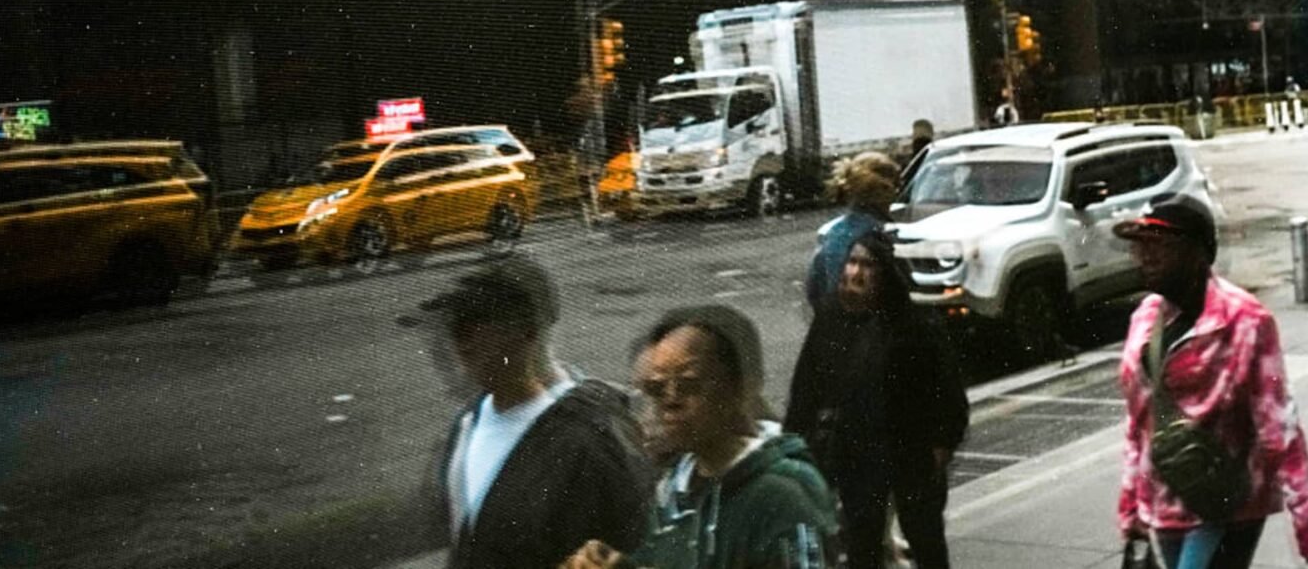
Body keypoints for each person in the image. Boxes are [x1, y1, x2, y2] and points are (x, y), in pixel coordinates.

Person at [1114, 195, 1308, 569]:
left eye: (1161, 246)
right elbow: (1139, 425)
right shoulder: (1146, 316)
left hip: (1227, 504)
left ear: (1199, 253)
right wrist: (1130, 507)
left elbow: (1281, 430)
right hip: (1163, 502)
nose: (1146, 257)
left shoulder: (1246, 320)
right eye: (1142, 246)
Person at [403, 260, 652, 569]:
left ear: (527, 333)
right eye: (450, 326)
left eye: (471, 324)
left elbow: (620, 548)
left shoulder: (590, 440)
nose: (455, 341)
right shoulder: (468, 423)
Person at [563, 305, 840, 569]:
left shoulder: (782, 495)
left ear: (739, 389)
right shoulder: (673, 487)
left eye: (688, 385)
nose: (669, 403)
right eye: (656, 389)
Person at [785, 231, 968, 569]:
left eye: (867, 265)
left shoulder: (914, 326)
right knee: (862, 541)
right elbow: (806, 388)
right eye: (852, 262)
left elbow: (947, 391)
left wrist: (943, 442)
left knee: (924, 536)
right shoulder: (832, 319)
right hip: (857, 452)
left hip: (911, 450)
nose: (855, 273)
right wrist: (795, 444)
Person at [805, 152, 900, 311]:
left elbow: (814, 292)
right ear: (884, 190)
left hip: (830, 327)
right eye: (896, 185)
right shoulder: (877, 237)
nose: (897, 193)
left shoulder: (832, 233)